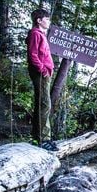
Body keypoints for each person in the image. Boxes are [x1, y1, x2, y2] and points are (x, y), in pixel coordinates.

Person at [26, 8, 55, 148]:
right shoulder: (35, 34)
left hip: (44, 73)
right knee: (45, 104)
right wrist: (43, 70)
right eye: (46, 19)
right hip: (40, 73)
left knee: (41, 104)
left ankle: (38, 138)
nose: (48, 21)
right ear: (39, 20)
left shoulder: (40, 34)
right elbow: (33, 55)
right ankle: (44, 139)